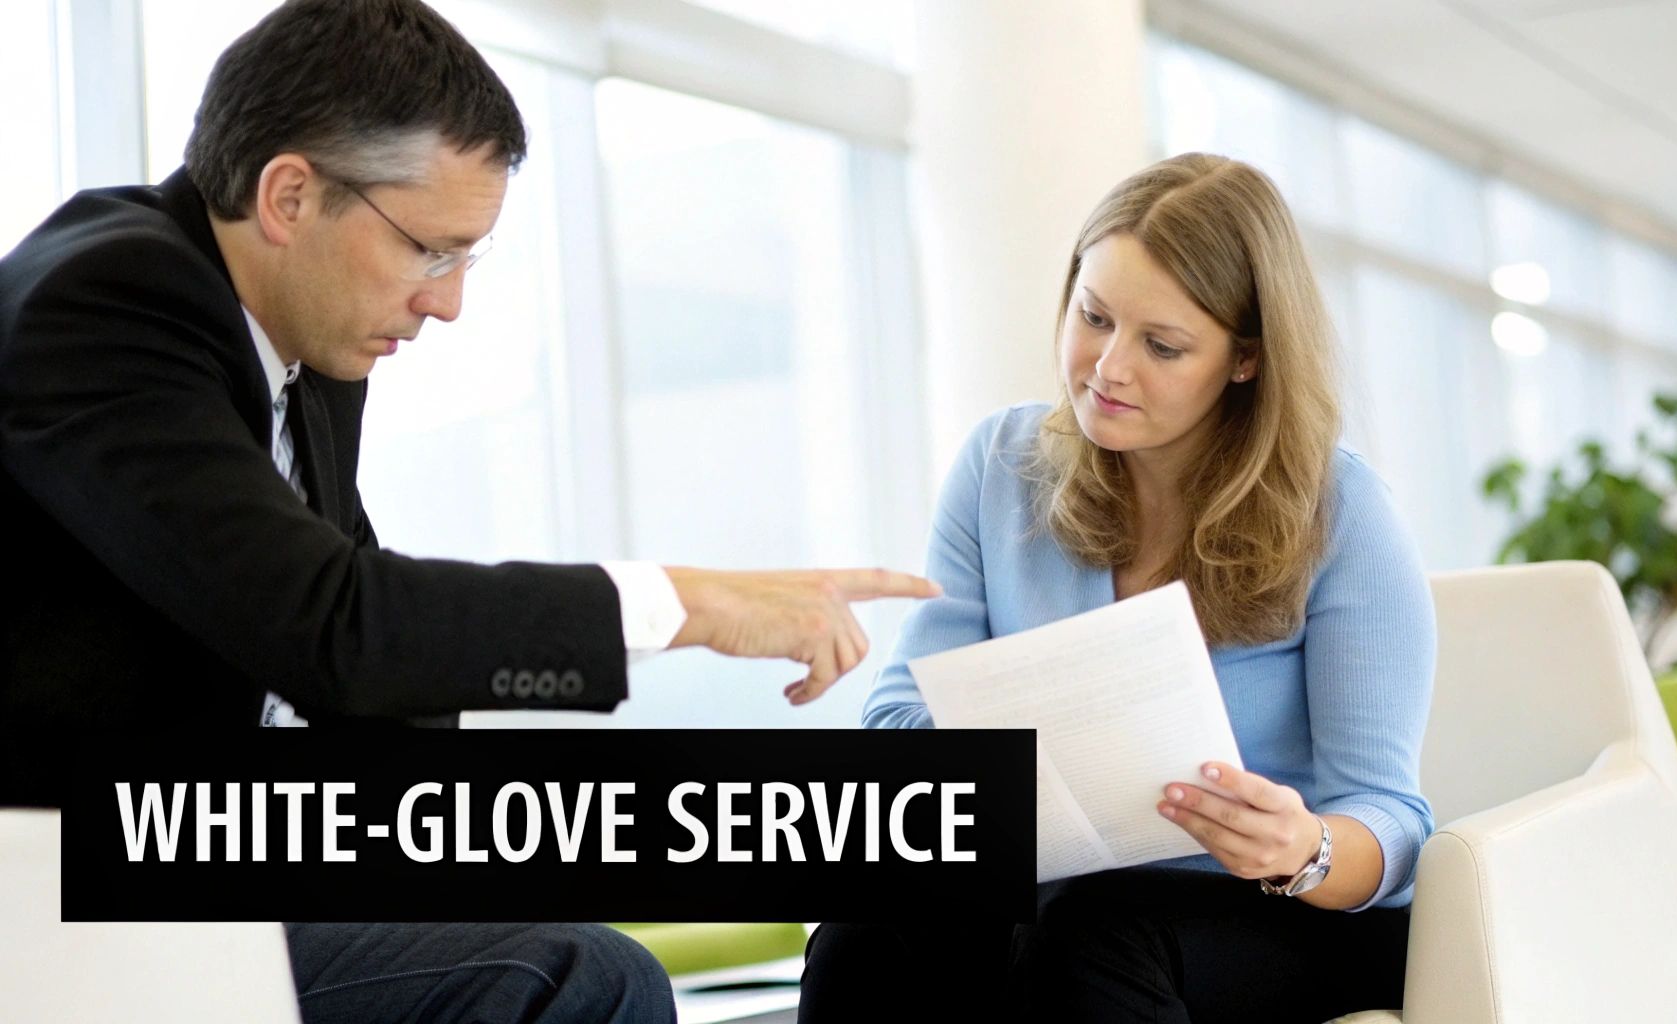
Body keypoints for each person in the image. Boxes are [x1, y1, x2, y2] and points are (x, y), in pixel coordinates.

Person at [0, 1, 935, 1021]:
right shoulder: (106, 300)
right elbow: (334, 623)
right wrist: (685, 605)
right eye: (428, 251)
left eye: (464, 261)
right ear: (289, 195)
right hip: (56, 898)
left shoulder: (301, 347)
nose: (445, 303)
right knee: (583, 976)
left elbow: (361, 667)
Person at [798, 153, 1436, 1023]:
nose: (1107, 367)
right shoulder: (1002, 467)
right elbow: (897, 721)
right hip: (1058, 897)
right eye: (1093, 317)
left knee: (1091, 930)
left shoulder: (1342, 510)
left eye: (1161, 346)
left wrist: (1302, 846)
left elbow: (1391, 820)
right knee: (871, 928)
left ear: (1246, 360)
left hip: (1280, 913)